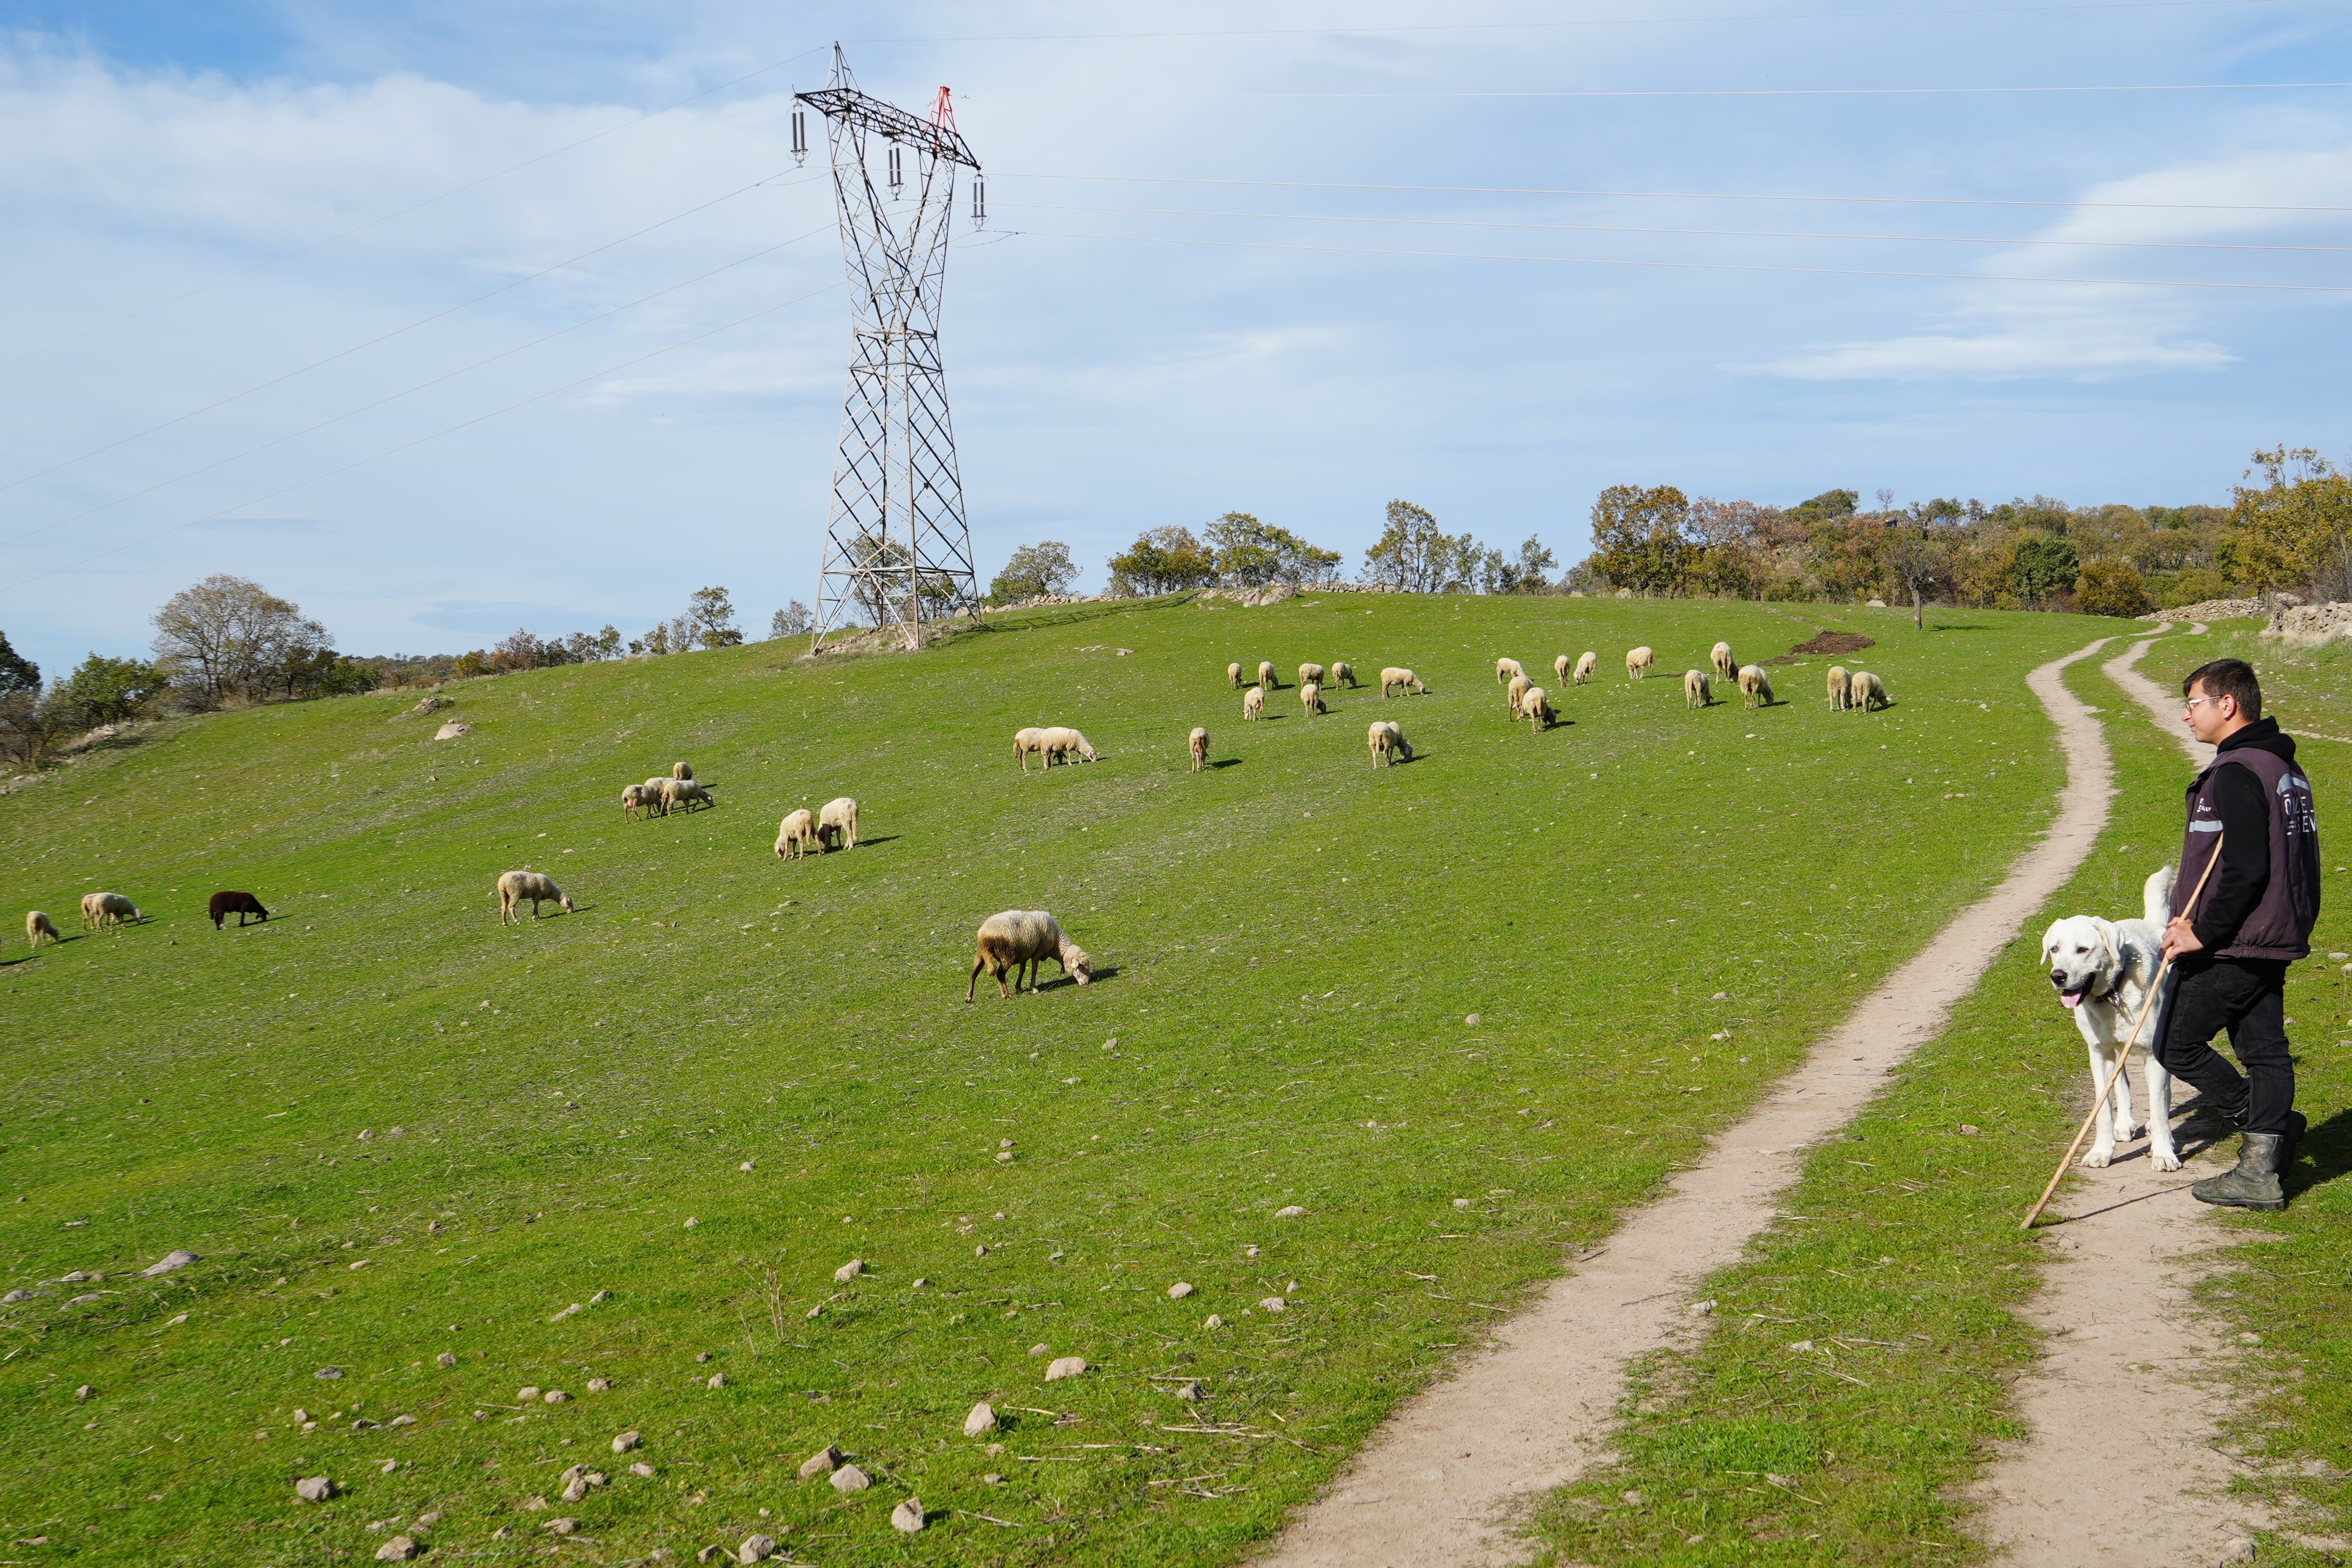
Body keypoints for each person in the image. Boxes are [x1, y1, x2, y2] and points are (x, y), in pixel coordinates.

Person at [2157, 657, 2320, 1211]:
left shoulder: (2237, 771)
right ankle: (2265, 1156)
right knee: (2265, 1050)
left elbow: (2247, 866)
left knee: (2175, 1042)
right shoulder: (2284, 768)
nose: (2186, 717)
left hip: (2238, 938)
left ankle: (2265, 1141)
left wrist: (2201, 931)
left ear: (2228, 704)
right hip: (2276, 929)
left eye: (2194, 704)